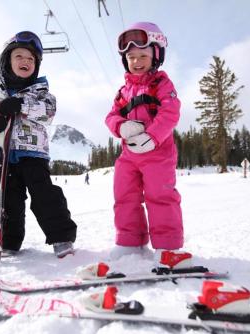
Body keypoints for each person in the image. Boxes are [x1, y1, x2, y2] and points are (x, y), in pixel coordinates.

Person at [0, 31, 77, 258]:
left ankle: (61, 237)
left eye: (31, 59)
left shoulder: (41, 92)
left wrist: (19, 105)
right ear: (6, 61)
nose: (25, 62)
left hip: (34, 155)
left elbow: (48, 112)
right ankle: (8, 241)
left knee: (44, 195)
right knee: (9, 200)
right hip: (3, 156)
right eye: (19, 56)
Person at [105, 22, 190, 267]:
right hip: (129, 154)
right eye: (131, 57)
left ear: (156, 55)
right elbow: (111, 116)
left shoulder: (162, 84)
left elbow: (170, 112)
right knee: (124, 195)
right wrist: (121, 126)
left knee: (160, 195)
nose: (137, 61)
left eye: (143, 55)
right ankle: (130, 241)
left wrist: (152, 137)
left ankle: (168, 246)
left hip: (158, 152)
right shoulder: (123, 91)